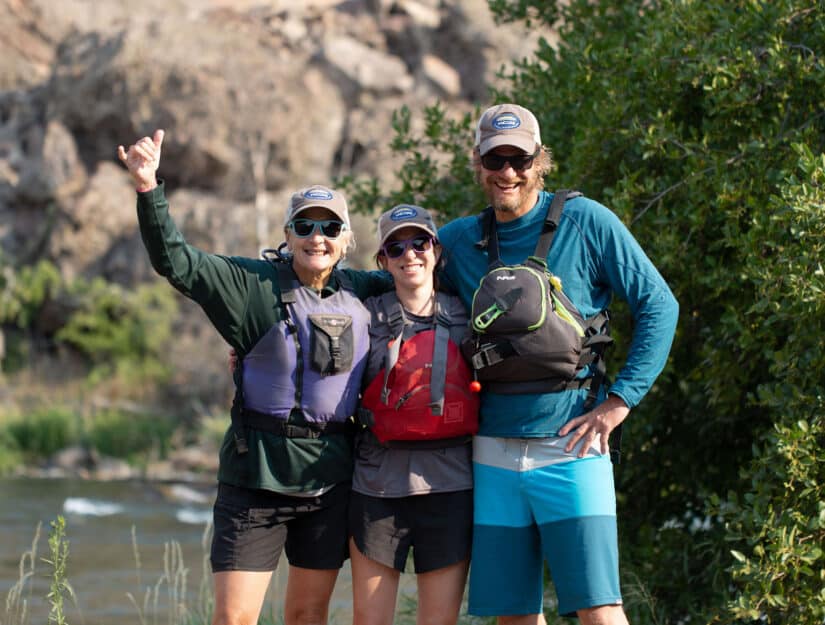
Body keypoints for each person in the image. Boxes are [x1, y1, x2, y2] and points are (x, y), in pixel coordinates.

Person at [118, 129, 390, 625]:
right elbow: (177, 261)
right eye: (305, 226)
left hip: (330, 482)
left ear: (348, 240)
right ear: (287, 235)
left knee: (307, 615)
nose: (317, 238)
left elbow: (425, 280)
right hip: (256, 478)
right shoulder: (252, 286)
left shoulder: (369, 292)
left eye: (330, 228)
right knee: (234, 620)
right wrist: (147, 187)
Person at [436, 104, 679, 625]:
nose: (507, 173)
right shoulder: (458, 240)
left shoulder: (587, 222)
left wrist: (619, 403)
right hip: (493, 453)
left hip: (573, 448)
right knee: (513, 614)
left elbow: (659, 304)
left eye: (519, 159)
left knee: (599, 608)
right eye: (494, 160)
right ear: (477, 164)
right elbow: (395, 291)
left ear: (540, 160)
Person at [350, 205, 478, 625]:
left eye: (420, 242)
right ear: (383, 260)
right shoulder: (363, 316)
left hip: (450, 487)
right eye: (396, 247)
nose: (410, 254)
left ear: (436, 251)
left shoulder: (468, 315)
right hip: (377, 489)